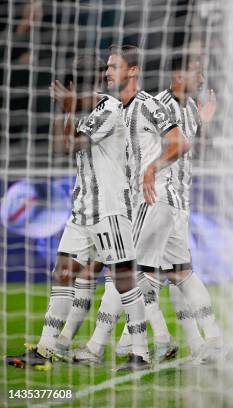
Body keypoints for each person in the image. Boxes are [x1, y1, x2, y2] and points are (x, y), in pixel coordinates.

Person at [6, 54, 151, 372]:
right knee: (63, 272)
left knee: (124, 280)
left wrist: (69, 110)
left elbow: (73, 145)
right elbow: (60, 145)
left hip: (109, 210)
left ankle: (140, 354)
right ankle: (46, 349)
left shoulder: (109, 109)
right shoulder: (84, 110)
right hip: (82, 209)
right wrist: (66, 111)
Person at [70, 44, 192, 368]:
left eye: (112, 67)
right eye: (107, 68)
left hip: (150, 199)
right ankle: (164, 339)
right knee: (145, 276)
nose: (107, 73)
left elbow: (180, 142)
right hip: (130, 203)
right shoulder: (112, 108)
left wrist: (152, 169)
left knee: (121, 272)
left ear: (133, 70)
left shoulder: (149, 105)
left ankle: (100, 347)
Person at [115, 53, 222, 363]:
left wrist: (203, 124)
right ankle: (204, 342)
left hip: (166, 201)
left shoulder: (188, 108)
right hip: (159, 198)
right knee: (178, 274)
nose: (202, 81)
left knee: (142, 271)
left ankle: (158, 339)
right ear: (179, 74)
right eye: (197, 73)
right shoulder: (158, 105)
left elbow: (184, 150)